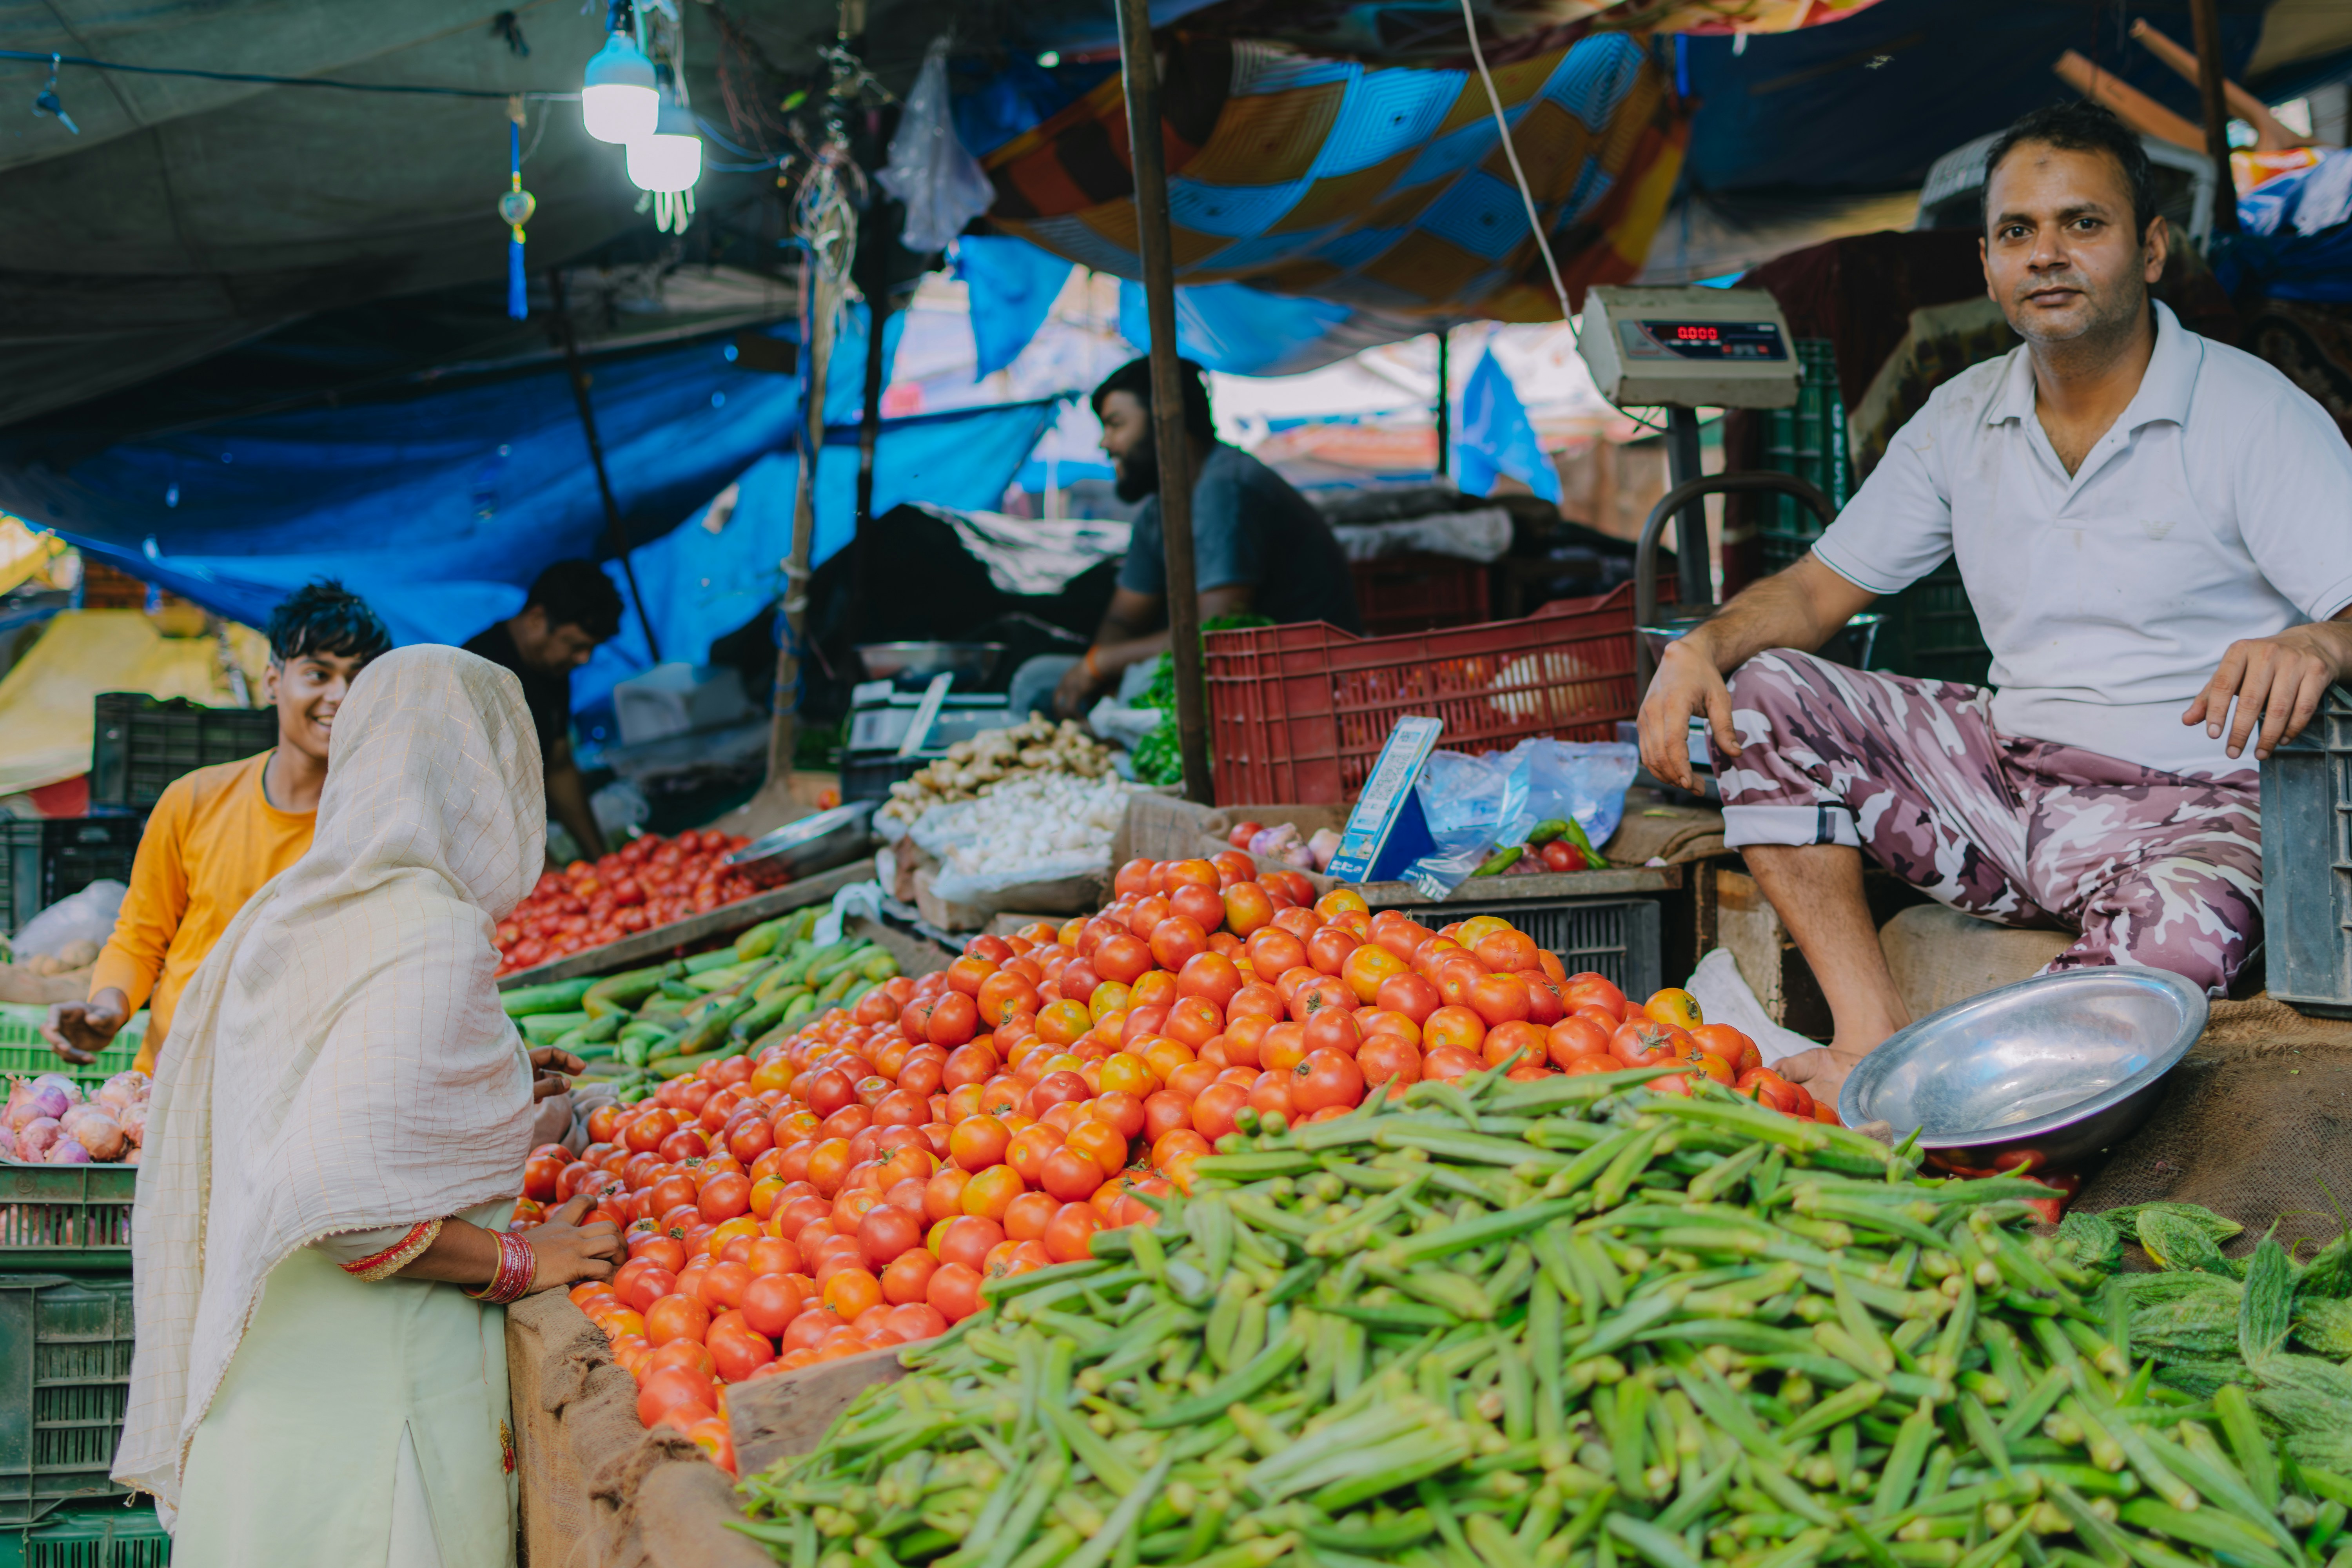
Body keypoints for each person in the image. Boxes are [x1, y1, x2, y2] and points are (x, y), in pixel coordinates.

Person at [1637, 100, 2352, 1103]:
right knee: (1763, 691)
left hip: (2202, 806)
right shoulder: (1963, 415)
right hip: (2005, 789)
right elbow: (1812, 590)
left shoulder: (2252, 413)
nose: (2047, 254)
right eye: (2019, 232)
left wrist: (2319, 641)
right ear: (1986, 265)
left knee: (2189, 936)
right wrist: (1698, 647)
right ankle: (1864, 1037)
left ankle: (1978, 1107)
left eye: (2083, 224)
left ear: (2151, 250)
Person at [114, 645, 620, 1563]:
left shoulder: (297, 904)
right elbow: (344, 1202)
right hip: (375, 1416)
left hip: (277, 1395)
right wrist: (517, 1257)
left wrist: (495, 1070)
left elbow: (305, 1092)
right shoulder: (429, 925)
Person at [45, 580, 393, 1076]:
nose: (339, 696)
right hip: (172, 1079)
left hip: (298, 1092)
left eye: (359, 679)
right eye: (319, 673)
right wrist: (108, 1008)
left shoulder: (379, 823)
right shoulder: (194, 799)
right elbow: (141, 938)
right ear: (274, 681)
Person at [1031, 356, 1358, 720]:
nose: (1105, 444)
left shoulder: (1226, 489)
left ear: (1165, 423)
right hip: (1233, 676)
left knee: (1126, 691)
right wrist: (1098, 673)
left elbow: (1216, 635)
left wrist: (1103, 664)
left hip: (1298, 684)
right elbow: (1124, 619)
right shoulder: (1160, 510)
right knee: (1039, 681)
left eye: (1116, 425)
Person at [465, 559, 622, 866]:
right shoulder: (477, 674)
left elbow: (559, 766)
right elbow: (480, 801)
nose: (584, 659)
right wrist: (547, 876)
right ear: (537, 619)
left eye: (591, 648)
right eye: (575, 645)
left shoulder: (551, 667)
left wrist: (604, 863)